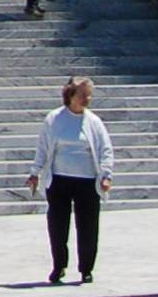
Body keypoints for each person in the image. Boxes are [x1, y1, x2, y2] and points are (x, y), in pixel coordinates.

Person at [26, 75, 114, 285]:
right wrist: (35, 172)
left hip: (87, 181)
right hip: (59, 180)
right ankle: (59, 266)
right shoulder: (54, 119)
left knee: (88, 226)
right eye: (82, 95)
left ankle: (86, 269)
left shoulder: (94, 122)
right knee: (57, 225)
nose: (87, 99)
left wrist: (106, 175)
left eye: (89, 95)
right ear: (70, 95)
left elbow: (106, 149)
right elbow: (43, 148)